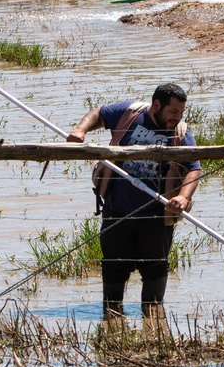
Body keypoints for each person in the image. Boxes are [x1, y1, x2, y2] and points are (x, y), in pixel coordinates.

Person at [66, 83, 200, 323]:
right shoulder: (129, 114)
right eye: (173, 112)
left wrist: (183, 197)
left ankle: (154, 327)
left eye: (181, 112)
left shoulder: (181, 133)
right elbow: (99, 114)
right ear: (156, 105)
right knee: (113, 274)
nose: (177, 117)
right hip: (117, 211)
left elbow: (193, 168)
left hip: (157, 216)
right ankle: (113, 326)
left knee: (155, 278)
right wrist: (80, 129)